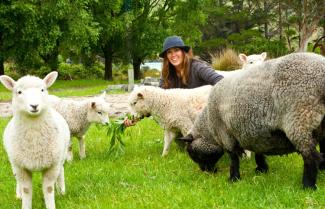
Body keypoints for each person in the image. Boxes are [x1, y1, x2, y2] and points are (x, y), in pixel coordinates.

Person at [124, 35, 224, 126]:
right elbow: (155, 102)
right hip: (184, 121)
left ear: (183, 52)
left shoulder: (198, 67)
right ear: (166, 56)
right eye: (169, 52)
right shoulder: (167, 75)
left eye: (176, 50)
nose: (173, 55)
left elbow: (221, 82)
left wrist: (206, 103)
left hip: (206, 116)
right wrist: (134, 118)